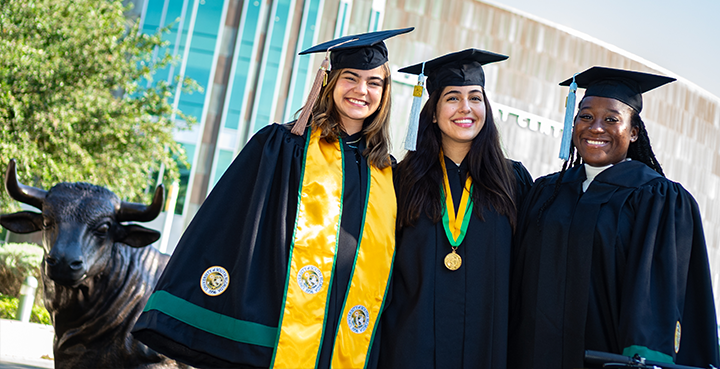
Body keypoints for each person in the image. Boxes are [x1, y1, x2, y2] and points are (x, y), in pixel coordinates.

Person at [132, 27, 413, 368]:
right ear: (328, 81)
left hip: (350, 338)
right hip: (280, 327)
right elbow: (233, 223)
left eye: (373, 83)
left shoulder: (386, 170)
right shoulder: (283, 146)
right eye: (350, 78)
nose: (361, 90)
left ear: (385, 94)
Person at [508, 66, 720, 369]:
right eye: (585, 116)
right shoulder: (546, 193)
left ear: (634, 132)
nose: (596, 127)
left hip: (606, 360)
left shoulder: (656, 199)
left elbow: (658, 301)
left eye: (611, 119)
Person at [379, 49, 533, 368]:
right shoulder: (400, 181)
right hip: (410, 347)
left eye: (475, 98)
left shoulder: (513, 181)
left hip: (487, 348)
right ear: (433, 113)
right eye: (452, 98)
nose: (466, 108)